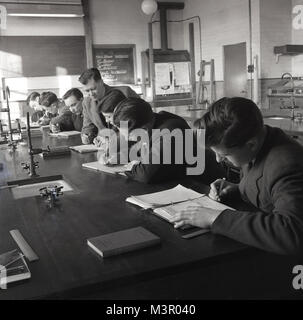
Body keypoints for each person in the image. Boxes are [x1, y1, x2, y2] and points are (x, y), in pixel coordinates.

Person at [172, 97, 303, 256]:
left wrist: (215, 218)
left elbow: (291, 232)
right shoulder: (260, 141)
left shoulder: (286, 164)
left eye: (224, 155)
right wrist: (238, 190)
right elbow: (268, 189)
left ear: (251, 144)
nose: (218, 160)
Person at [108, 97, 224, 184]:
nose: (127, 139)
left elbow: (146, 174)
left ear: (143, 129)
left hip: (203, 186)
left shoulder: (171, 131)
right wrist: (121, 156)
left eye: (129, 136)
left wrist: (129, 167)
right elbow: (142, 149)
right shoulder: (153, 120)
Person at [78, 68, 138, 144]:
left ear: (101, 82)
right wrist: (87, 136)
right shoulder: (86, 102)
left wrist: (113, 140)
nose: (91, 94)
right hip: (104, 147)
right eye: (87, 91)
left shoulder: (125, 93)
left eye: (93, 89)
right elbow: (88, 126)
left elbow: (137, 123)